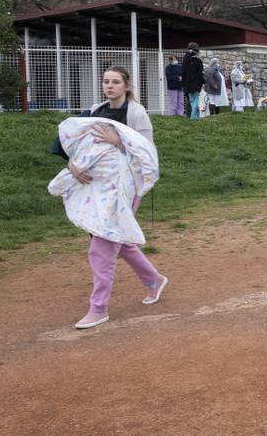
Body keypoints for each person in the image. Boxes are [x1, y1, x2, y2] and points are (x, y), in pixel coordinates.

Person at [51, 66, 168, 330]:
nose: (110, 86)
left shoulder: (137, 114)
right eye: (106, 81)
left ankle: (98, 308)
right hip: (97, 188)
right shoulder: (95, 111)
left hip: (125, 190)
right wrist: (71, 165)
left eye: (115, 82)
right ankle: (153, 280)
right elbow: (71, 142)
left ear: (126, 86)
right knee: (118, 238)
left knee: (101, 247)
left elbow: (148, 155)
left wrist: (119, 142)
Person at [182, 42, 205, 120]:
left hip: (188, 84)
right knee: (196, 100)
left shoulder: (185, 61)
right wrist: (203, 82)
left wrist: (183, 83)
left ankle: (196, 116)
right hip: (196, 83)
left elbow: (183, 72)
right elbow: (200, 74)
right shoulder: (198, 61)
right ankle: (193, 117)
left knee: (192, 100)